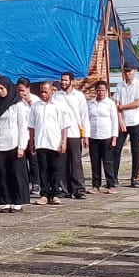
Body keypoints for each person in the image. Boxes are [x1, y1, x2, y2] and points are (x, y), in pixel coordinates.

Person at [0, 76, 31, 213]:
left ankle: (17, 202)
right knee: (1, 174)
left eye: (2, 88)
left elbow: (22, 126)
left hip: (14, 143)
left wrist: (21, 146)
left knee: (16, 174)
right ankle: (4, 201)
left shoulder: (17, 104)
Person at [29, 80, 67, 204]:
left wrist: (64, 142)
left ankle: (55, 193)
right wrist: (32, 142)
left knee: (55, 168)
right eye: (41, 92)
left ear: (52, 91)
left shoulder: (58, 106)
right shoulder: (35, 106)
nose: (43, 94)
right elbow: (32, 126)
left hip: (54, 142)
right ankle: (44, 194)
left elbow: (64, 126)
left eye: (46, 91)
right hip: (40, 142)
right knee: (43, 169)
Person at [115, 64, 139, 187]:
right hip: (123, 121)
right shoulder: (120, 85)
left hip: (135, 121)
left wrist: (122, 107)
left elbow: (138, 103)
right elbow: (116, 103)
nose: (127, 73)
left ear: (134, 71)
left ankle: (134, 177)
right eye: (125, 71)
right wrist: (120, 121)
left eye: (129, 71)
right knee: (116, 150)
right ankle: (114, 177)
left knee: (136, 150)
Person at [57, 72, 88, 200]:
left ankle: (79, 189)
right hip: (60, 134)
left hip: (75, 132)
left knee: (76, 162)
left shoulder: (79, 96)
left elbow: (84, 116)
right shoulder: (57, 96)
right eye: (62, 80)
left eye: (65, 80)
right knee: (62, 162)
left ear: (72, 81)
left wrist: (85, 135)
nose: (63, 82)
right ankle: (65, 189)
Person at [88, 80, 121, 193]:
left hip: (106, 136)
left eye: (103, 90)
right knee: (95, 162)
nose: (100, 93)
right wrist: (86, 136)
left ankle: (111, 184)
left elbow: (114, 120)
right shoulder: (91, 103)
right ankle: (95, 185)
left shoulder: (110, 103)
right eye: (98, 90)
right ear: (95, 91)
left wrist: (114, 137)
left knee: (107, 162)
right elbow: (87, 120)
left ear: (106, 91)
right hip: (93, 136)